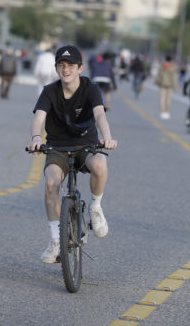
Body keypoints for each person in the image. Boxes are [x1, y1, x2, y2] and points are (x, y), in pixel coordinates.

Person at [28, 45, 118, 263]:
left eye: (70, 65)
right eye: (61, 65)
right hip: (57, 148)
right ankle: (55, 241)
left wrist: (107, 137)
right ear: (56, 68)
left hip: (85, 145)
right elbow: (39, 117)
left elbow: (100, 115)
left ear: (80, 68)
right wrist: (36, 138)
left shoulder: (90, 89)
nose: (65, 69)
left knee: (100, 165)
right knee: (51, 184)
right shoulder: (49, 91)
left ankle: (95, 207)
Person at [155, 55, 177, 119]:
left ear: (165, 59)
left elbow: (159, 75)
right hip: (169, 85)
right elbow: (174, 78)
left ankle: (162, 112)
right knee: (168, 99)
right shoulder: (172, 67)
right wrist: (175, 87)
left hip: (162, 84)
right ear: (171, 60)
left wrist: (157, 83)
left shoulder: (162, 66)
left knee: (162, 99)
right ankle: (167, 112)